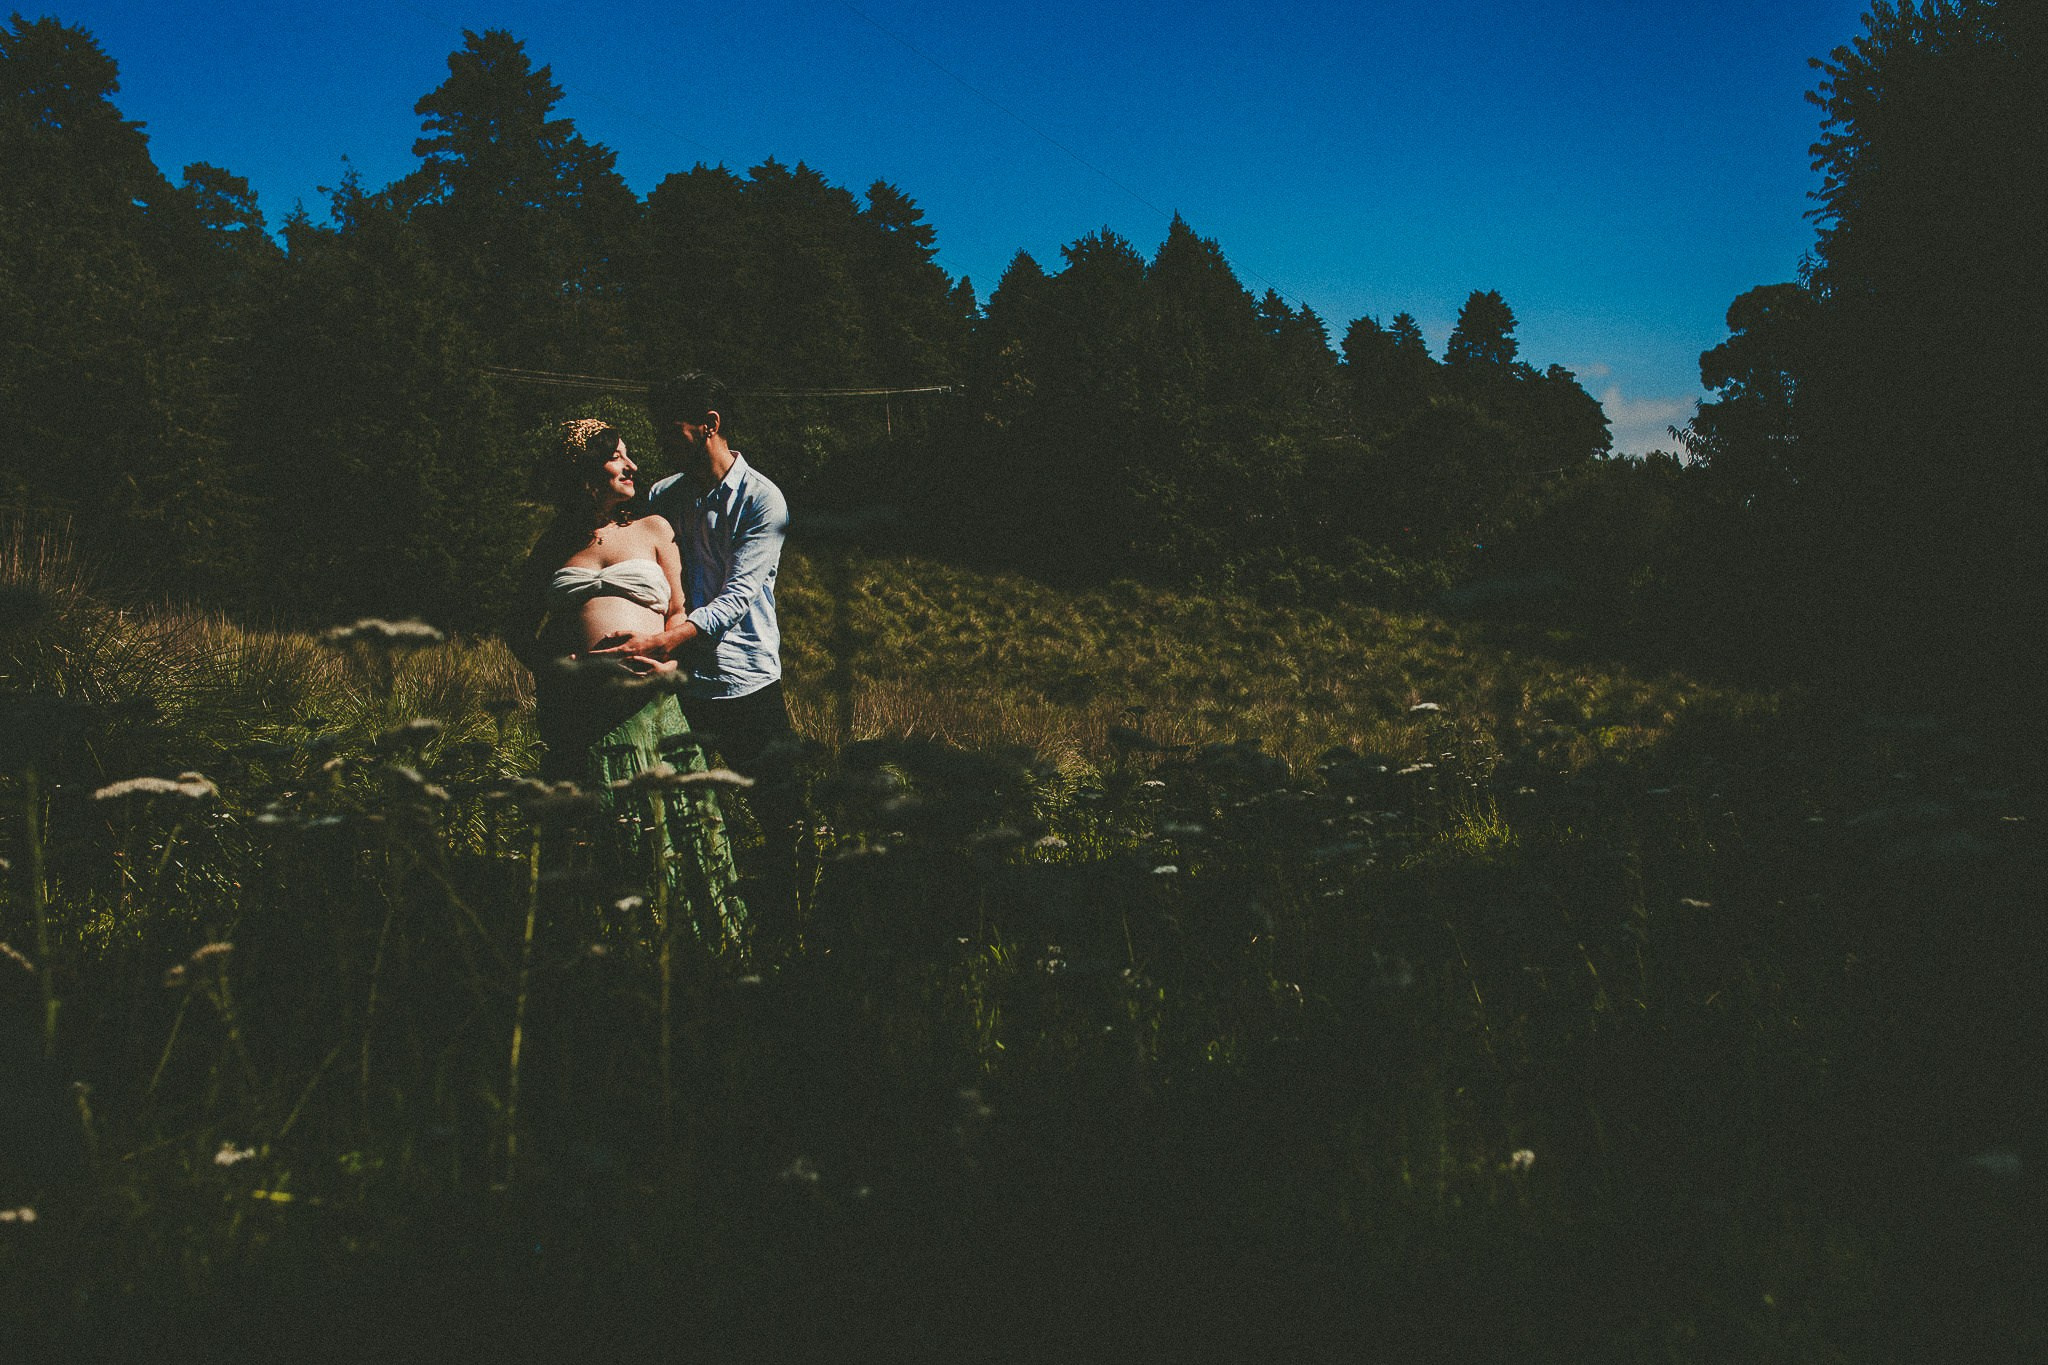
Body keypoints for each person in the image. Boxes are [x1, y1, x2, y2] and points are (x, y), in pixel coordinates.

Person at [511, 417, 745, 943]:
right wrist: (554, 667)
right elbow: (519, 629)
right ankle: (606, 947)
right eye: (618, 456)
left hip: (651, 710)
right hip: (582, 716)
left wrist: (669, 662)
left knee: (672, 831)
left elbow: (681, 611)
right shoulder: (553, 545)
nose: (633, 466)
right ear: (587, 472)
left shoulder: (653, 529)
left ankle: (696, 946)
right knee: (595, 838)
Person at [589, 373, 802, 920]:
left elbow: (734, 599)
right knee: (689, 810)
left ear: (709, 425)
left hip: (745, 680)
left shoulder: (763, 500)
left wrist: (661, 640)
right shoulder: (665, 494)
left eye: (673, 427)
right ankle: (702, 916)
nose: (664, 438)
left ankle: (789, 919)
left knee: (779, 811)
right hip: (681, 687)